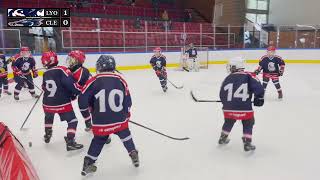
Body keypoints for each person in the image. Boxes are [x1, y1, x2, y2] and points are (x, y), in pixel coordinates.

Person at [79, 55, 139, 176]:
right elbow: (128, 101)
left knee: (99, 140)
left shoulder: (93, 80)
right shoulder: (121, 80)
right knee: (125, 134)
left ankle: (89, 162)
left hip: (100, 121)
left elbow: (82, 101)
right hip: (119, 120)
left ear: (99, 66)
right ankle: (133, 152)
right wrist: (126, 114)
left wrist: (91, 107)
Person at [218, 57, 264, 151]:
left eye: (231, 66)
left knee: (228, 121)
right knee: (248, 122)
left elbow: (222, 92)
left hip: (228, 109)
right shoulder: (249, 76)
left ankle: (223, 137)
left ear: (235, 67)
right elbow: (258, 87)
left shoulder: (228, 78)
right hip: (245, 108)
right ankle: (247, 142)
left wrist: (225, 103)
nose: (230, 68)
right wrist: (259, 97)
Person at [41, 51, 84, 151]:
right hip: (62, 103)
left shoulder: (45, 73)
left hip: (47, 103)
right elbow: (69, 84)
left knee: (48, 117)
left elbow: (44, 87)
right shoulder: (62, 69)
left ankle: (47, 134)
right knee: (73, 121)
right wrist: (78, 91)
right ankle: (70, 141)